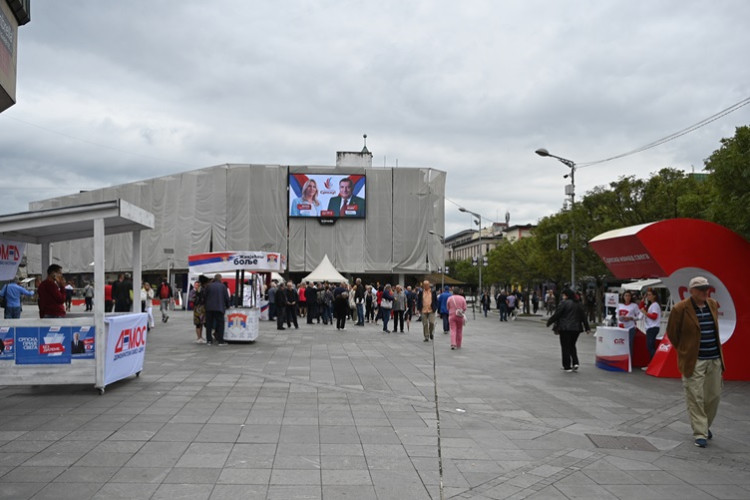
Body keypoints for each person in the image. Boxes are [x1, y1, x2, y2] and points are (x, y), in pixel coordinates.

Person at [667, 276, 724, 448]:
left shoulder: (712, 304)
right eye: (700, 289)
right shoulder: (680, 309)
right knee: (695, 397)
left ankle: (705, 425)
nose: (704, 292)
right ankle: (700, 432)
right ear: (691, 291)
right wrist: (685, 350)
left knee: (714, 396)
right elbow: (672, 333)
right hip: (694, 360)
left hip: (714, 358)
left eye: (706, 289)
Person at [547, 289, 591, 372]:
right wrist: (587, 328)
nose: (563, 297)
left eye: (563, 295)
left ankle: (567, 366)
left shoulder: (563, 303)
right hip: (576, 329)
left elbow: (557, 314)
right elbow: (583, 317)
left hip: (565, 328)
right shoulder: (579, 304)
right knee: (572, 345)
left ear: (566, 295)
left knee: (565, 347)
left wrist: (549, 321)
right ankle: (575, 362)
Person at [204, 274, 230, 345]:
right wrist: (228, 305)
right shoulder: (223, 286)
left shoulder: (208, 286)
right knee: (220, 324)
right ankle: (220, 340)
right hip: (219, 308)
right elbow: (226, 297)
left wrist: (205, 305)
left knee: (209, 324)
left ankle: (209, 340)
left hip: (209, 308)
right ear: (220, 278)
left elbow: (204, 296)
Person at [640, 288, 662, 362]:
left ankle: (654, 362)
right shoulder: (651, 305)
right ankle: (652, 362)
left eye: (649, 295)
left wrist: (645, 313)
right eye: (647, 295)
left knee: (650, 346)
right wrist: (643, 300)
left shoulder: (655, 305)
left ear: (654, 296)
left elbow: (654, 316)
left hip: (653, 327)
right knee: (650, 346)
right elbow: (641, 307)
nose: (648, 296)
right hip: (650, 327)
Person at [617, 291, 640, 359]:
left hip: (630, 328)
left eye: (628, 296)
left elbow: (639, 316)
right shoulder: (619, 305)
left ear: (631, 297)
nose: (627, 297)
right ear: (623, 297)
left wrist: (631, 318)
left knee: (629, 344)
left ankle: (629, 361)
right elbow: (616, 316)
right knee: (621, 344)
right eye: (626, 295)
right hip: (621, 328)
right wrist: (620, 318)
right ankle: (621, 360)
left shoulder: (634, 305)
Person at [193, 276, 208, 342]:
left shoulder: (198, 288)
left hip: (197, 307)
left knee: (199, 323)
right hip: (202, 308)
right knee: (200, 323)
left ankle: (199, 337)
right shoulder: (203, 289)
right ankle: (199, 337)